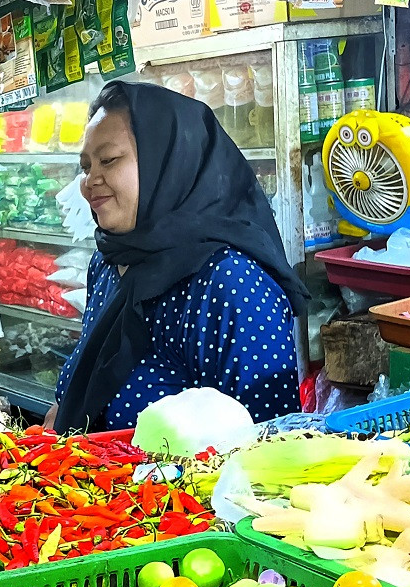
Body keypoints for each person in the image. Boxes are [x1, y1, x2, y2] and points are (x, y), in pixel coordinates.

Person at [49, 80, 310, 433]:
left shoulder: (232, 285)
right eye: (85, 166)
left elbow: (269, 442)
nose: (90, 180)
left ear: (168, 161)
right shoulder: (109, 263)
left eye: (108, 160)